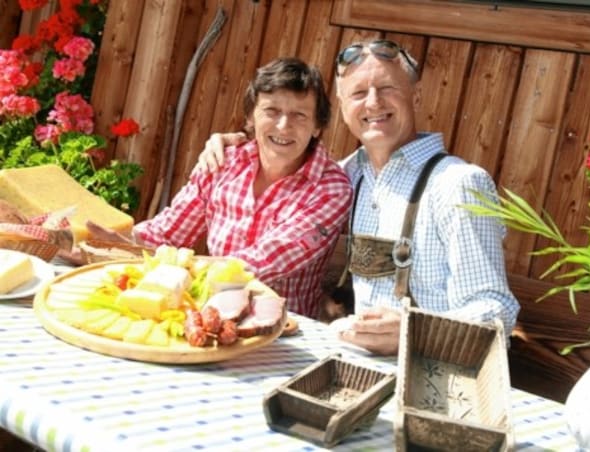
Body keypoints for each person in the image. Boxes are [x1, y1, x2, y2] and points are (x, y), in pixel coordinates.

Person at [199, 40, 519, 355]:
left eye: (387, 88)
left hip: (431, 382)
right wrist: (239, 145)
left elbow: (496, 315)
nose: (373, 103)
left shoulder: (458, 184)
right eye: (358, 93)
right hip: (352, 367)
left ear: (416, 97)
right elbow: (286, 156)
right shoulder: (347, 176)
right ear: (343, 107)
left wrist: (412, 331)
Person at [90, 57, 353, 319]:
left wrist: (182, 268)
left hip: (282, 332)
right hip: (206, 315)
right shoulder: (225, 161)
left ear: (318, 126)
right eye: (271, 111)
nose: (284, 126)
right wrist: (125, 243)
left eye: (300, 115)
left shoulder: (331, 187)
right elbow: (167, 232)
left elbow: (265, 260)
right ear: (251, 116)